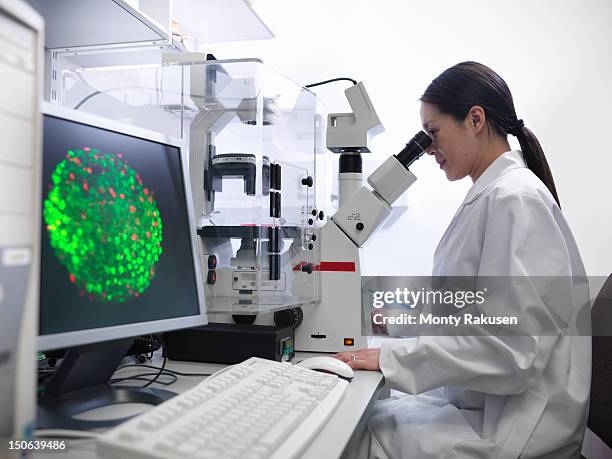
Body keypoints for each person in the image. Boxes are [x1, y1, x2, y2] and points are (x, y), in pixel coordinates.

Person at [336, 61, 590, 458]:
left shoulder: (514, 200)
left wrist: (390, 358)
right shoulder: (493, 196)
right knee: (368, 415)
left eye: (433, 133)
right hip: (484, 407)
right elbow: (472, 310)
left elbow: (512, 348)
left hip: (513, 428)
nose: (430, 148)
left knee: (351, 437)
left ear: (475, 119)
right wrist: (386, 313)